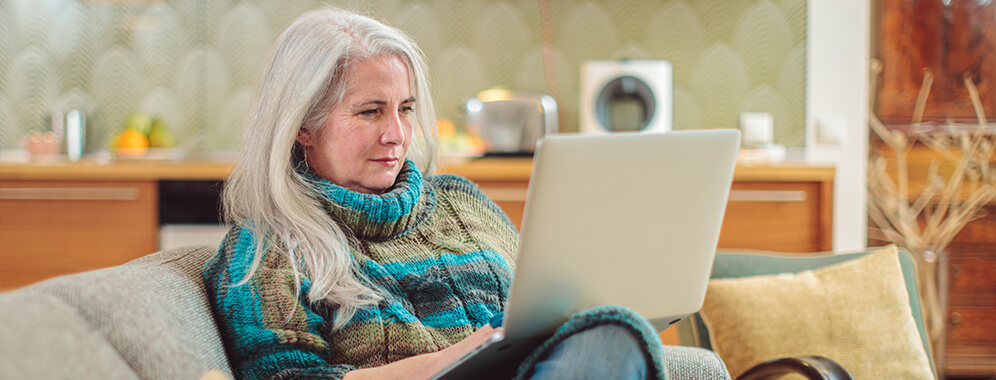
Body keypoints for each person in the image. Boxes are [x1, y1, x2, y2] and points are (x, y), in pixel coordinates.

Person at [203, 7, 667, 380]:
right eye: (370, 112)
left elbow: (543, 312)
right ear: (303, 126)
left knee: (613, 332)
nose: (397, 135)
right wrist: (460, 356)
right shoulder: (266, 249)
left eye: (405, 109)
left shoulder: (462, 204)